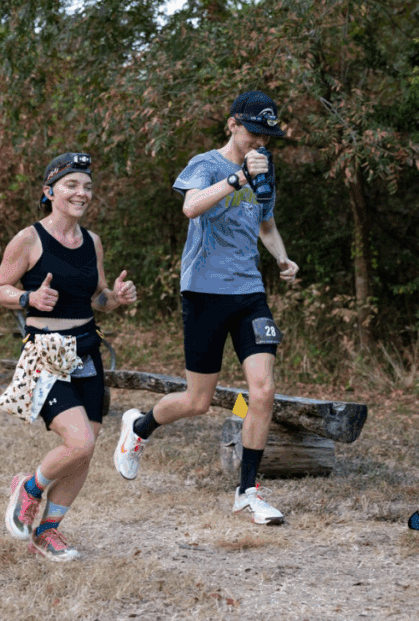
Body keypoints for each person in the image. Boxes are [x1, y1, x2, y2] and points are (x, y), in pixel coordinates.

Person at [112, 90, 299, 525]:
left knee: (263, 391)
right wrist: (237, 178)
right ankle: (139, 428)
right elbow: (190, 207)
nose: (261, 142)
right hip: (203, 292)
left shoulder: (265, 168)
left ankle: (247, 491)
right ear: (233, 123)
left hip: (249, 292)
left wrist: (281, 257)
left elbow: (265, 222)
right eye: (254, 132)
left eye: (267, 136)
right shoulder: (206, 164)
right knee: (198, 400)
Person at [0, 152, 137, 561]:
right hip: (47, 354)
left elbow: (98, 296)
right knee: (80, 441)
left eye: (87, 186)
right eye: (72, 184)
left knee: (86, 449)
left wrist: (117, 298)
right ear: (49, 191)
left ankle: (49, 531)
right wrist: (28, 297)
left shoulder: (92, 242)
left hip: (87, 351)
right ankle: (30, 488)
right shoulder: (29, 239)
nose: (82, 193)